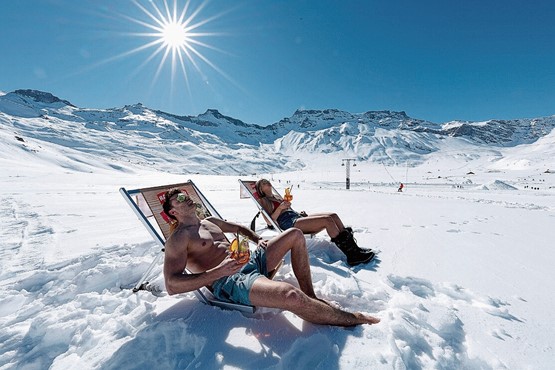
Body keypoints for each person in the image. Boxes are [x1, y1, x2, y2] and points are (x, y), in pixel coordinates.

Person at [162, 188, 380, 327]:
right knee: (289, 295)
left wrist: (257, 239)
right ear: (173, 212)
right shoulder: (178, 239)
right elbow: (172, 284)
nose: (186, 197)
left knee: (294, 234)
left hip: (248, 261)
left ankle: (311, 295)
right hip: (230, 280)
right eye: (179, 198)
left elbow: (237, 227)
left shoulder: (208, 220)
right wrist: (217, 272)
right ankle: (352, 319)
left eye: (185, 194)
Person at [254, 179, 374, 266]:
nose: (267, 183)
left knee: (333, 215)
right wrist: (280, 208)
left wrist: (295, 211)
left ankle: (355, 249)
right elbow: (269, 221)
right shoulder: (263, 200)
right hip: (289, 223)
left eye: (267, 181)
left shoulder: (276, 196)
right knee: (327, 221)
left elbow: (287, 210)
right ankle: (353, 256)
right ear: (261, 189)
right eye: (264, 183)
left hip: (295, 216)